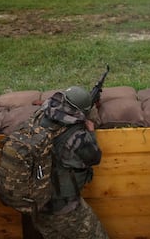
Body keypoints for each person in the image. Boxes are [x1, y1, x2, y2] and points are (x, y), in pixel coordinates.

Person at [31, 86, 109, 239]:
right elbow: (95, 157)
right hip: (63, 208)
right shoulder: (77, 137)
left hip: (37, 203)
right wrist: (91, 131)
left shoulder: (40, 118)